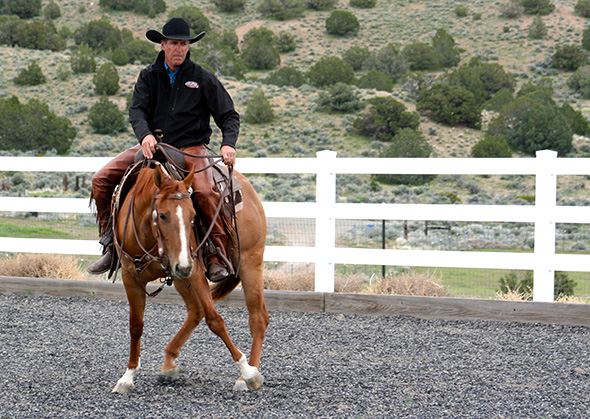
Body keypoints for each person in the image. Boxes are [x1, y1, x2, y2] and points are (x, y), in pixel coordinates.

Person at [88, 17, 239, 282]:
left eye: (183, 44)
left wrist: (228, 143)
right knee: (100, 179)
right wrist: (145, 135)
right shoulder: (149, 75)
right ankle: (110, 243)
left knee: (204, 191)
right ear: (162, 45)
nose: (179, 49)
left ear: (188, 46)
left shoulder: (201, 78)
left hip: (191, 148)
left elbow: (228, 115)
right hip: (154, 146)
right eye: (173, 43)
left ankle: (216, 253)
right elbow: (137, 110)